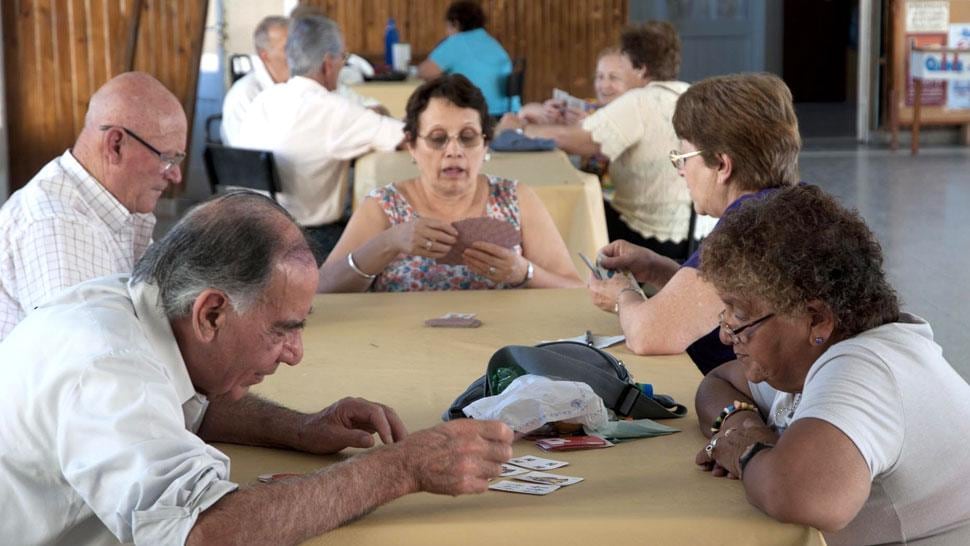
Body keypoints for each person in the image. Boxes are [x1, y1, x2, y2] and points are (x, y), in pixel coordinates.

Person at [0, 191, 513, 544]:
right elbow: (204, 534)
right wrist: (401, 467)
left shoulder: (138, 306)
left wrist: (300, 427)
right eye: (282, 329)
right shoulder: (108, 370)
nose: (295, 354)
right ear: (212, 313)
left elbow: (183, 407)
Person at [693, 184, 970, 545]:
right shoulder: (813, 357)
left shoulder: (864, 368)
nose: (726, 336)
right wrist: (739, 421)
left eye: (741, 316)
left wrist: (744, 451)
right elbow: (716, 383)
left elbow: (804, 496)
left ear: (816, 319)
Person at [587, 73, 800, 374]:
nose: (681, 171)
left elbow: (649, 335)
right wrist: (658, 269)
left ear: (723, 166)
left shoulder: (747, 231)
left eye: (683, 157)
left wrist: (622, 294)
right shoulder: (777, 206)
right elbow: (719, 300)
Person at [317, 74, 582, 293]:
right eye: (437, 138)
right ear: (411, 145)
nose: (454, 151)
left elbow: (573, 289)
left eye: (467, 137)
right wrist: (389, 242)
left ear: (486, 143)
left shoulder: (514, 198)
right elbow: (323, 290)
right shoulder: (385, 206)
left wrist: (525, 272)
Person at [0, 71, 186, 342]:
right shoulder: (61, 226)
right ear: (116, 145)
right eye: (168, 158)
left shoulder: (111, 207)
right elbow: (90, 369)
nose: (176, 175)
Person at [496, 21, 705, 261]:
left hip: (644, 235)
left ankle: (565, 287)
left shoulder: (640, 101)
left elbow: (574, 140)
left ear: (640, 70)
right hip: (689, 236)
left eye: (623, 65)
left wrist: (520, 127)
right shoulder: (691, 95)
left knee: (565, 214)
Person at [238, 15, 405, 260]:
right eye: (343, 59)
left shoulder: (263, 100)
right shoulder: (332, 110)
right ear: (328, 63)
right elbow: (408, 137)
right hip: (310, 241)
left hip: (250, 238)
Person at [418, 1, 514, 116]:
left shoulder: (457, 42)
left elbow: (424, 72)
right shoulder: (491, 42)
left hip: (475, 113)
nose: (446, 32)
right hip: (504, 112)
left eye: (447, 26)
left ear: (455, 23)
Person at [517, 47, 647, 126]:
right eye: (600, 77)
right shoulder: (593, 107)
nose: (604, 85)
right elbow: (525, 111)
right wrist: (548, 112)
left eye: (614, 78)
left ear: (634, 82)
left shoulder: (638, 118)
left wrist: (587, 128)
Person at [221, 16, 289, 146]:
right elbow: (242, 154)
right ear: (265, 55)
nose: (297, 53)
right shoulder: (244, 94)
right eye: (287, 48)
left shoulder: (298, 87)